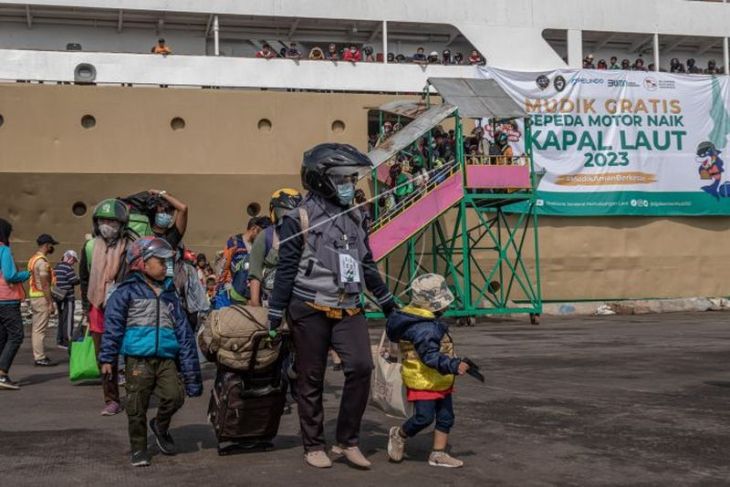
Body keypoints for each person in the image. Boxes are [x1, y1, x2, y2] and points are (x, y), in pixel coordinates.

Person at [267, 143, 397, 469]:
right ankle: (313, 444)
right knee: (311, 378)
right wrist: (274, 313)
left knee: (361, 367)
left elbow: (366, 262)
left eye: (352, 178)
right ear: (321, 178)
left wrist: (387, 302)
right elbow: (286, 268)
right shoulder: (299, 217)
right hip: (308, 306)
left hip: (349, 306)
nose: (350, 185)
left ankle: (347, 440)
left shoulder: (356, 215)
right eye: (343, 178)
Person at [100, 237, 202, 467]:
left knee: (175, 396)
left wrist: (191, 376)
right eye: (160, 260)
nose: (166, 266)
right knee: (136, 406)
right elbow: (113, 326)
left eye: (168, 261)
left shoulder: (171, 296)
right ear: (141, 263)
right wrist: (107, 357)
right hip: (138, 360)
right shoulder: (126, 292)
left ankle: (160, 425)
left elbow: (184, 336)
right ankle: (138, 448)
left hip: (165, 359)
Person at [385, 273, 469, 468]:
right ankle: (400, 434)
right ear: (434, 304)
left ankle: (438, 453)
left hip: (439, 377)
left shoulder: (425, 322)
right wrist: (454, 365)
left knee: (446, 417)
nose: (447, 305)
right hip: (423, 378)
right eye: (444, 302)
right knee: (424, 417)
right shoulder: (425, 328)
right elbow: (430, 357)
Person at [80, 199, 133, 416]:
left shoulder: (130, 247)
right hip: (98, 308)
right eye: (102, 220)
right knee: (104, 357)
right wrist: (86, 306)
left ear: (121, 224)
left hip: (126, 308)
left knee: (131, 353)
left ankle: (135, 393)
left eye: (111, 221)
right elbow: (84, 277)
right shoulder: (90, 247)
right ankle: (111, 399)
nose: (106, 225)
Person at [248, 189, 303, 307]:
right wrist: (255, 305)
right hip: (271, 302)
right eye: (283, 213)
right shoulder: (265, 237)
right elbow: (255, 275)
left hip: (298, 302)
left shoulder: (306, 236)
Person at [0, 219, 30, 390]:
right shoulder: (3, 250)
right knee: (16, 335)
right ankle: (2, 373)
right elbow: (10, 275)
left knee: (2, 336)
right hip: (7, 299)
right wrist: (27, 274)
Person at [219, 216, 270, 303]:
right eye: (262, 233)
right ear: (254, 229)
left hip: (254, 293)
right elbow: (224, 267)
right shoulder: (234, 242)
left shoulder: (260, 246)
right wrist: (225, 284)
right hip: (236, 293)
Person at [28, 234, 58, 367]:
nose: (52, 248)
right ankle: (39, 357)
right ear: (47, 245)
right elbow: (45, 284)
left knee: (36, 328)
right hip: (41, 298)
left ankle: (39, 355)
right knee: (39, 330)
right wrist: (50, 302)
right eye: (52, 245)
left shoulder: (33, 259)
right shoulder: (42, 262)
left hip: (34, 296)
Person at [53, 250, 80, 350]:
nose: (74, 263)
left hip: (58, 296)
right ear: (70, 258)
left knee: (61, 319)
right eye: (74, 260)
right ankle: (67, 341)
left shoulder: (57, 267)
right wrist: (80, 279)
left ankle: (59, 340)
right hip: (68, 297)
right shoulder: (68, 268)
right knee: (68, 320)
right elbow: (73, 280)